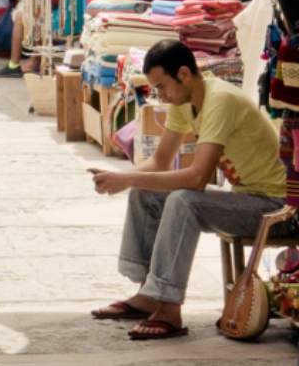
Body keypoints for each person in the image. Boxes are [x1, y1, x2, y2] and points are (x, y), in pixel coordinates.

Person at [90, 40, 293, 341]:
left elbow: (197, 179)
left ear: (184, 74)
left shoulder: (220, 100)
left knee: (184, 200)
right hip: (248, 198)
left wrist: (128, 179)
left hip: (278, 208)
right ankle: (149, 294)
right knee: (144, 193)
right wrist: (120, 177)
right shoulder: (184, 102)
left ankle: (169, 309)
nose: (161, 96)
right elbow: (159, 162)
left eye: (162, 87)